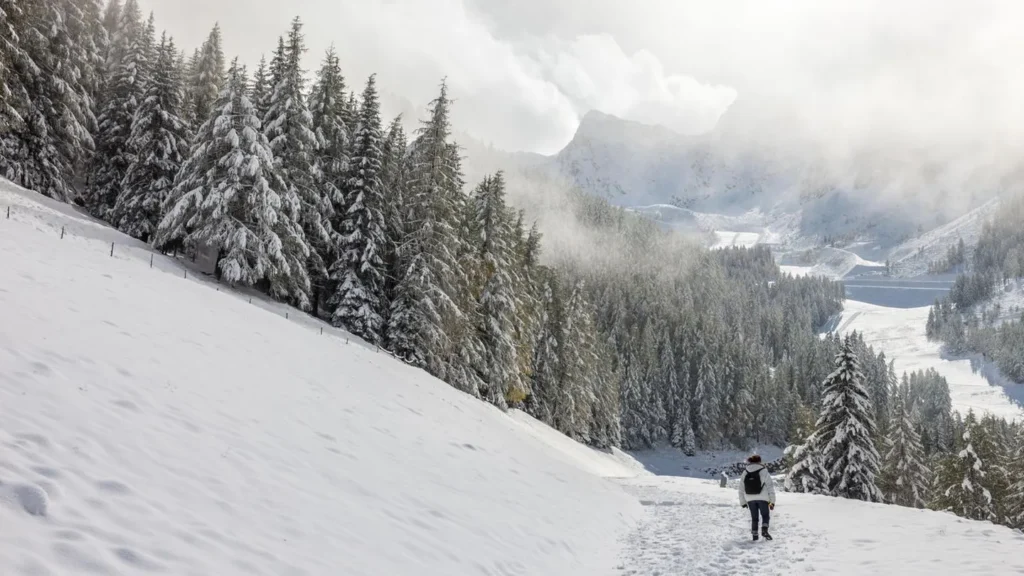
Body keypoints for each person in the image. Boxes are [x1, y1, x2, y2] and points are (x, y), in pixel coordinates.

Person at [738, 454, 775, 541]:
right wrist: (772, 501)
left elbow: (741, 488)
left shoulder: (745, 472)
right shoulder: (764, 471)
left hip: (750, 498)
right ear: (759, 461)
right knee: (765, 515)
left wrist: (743, 502)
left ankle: (754, 534)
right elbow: (770, 487)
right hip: (763, 498)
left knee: (754, 518)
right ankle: (764, 530)